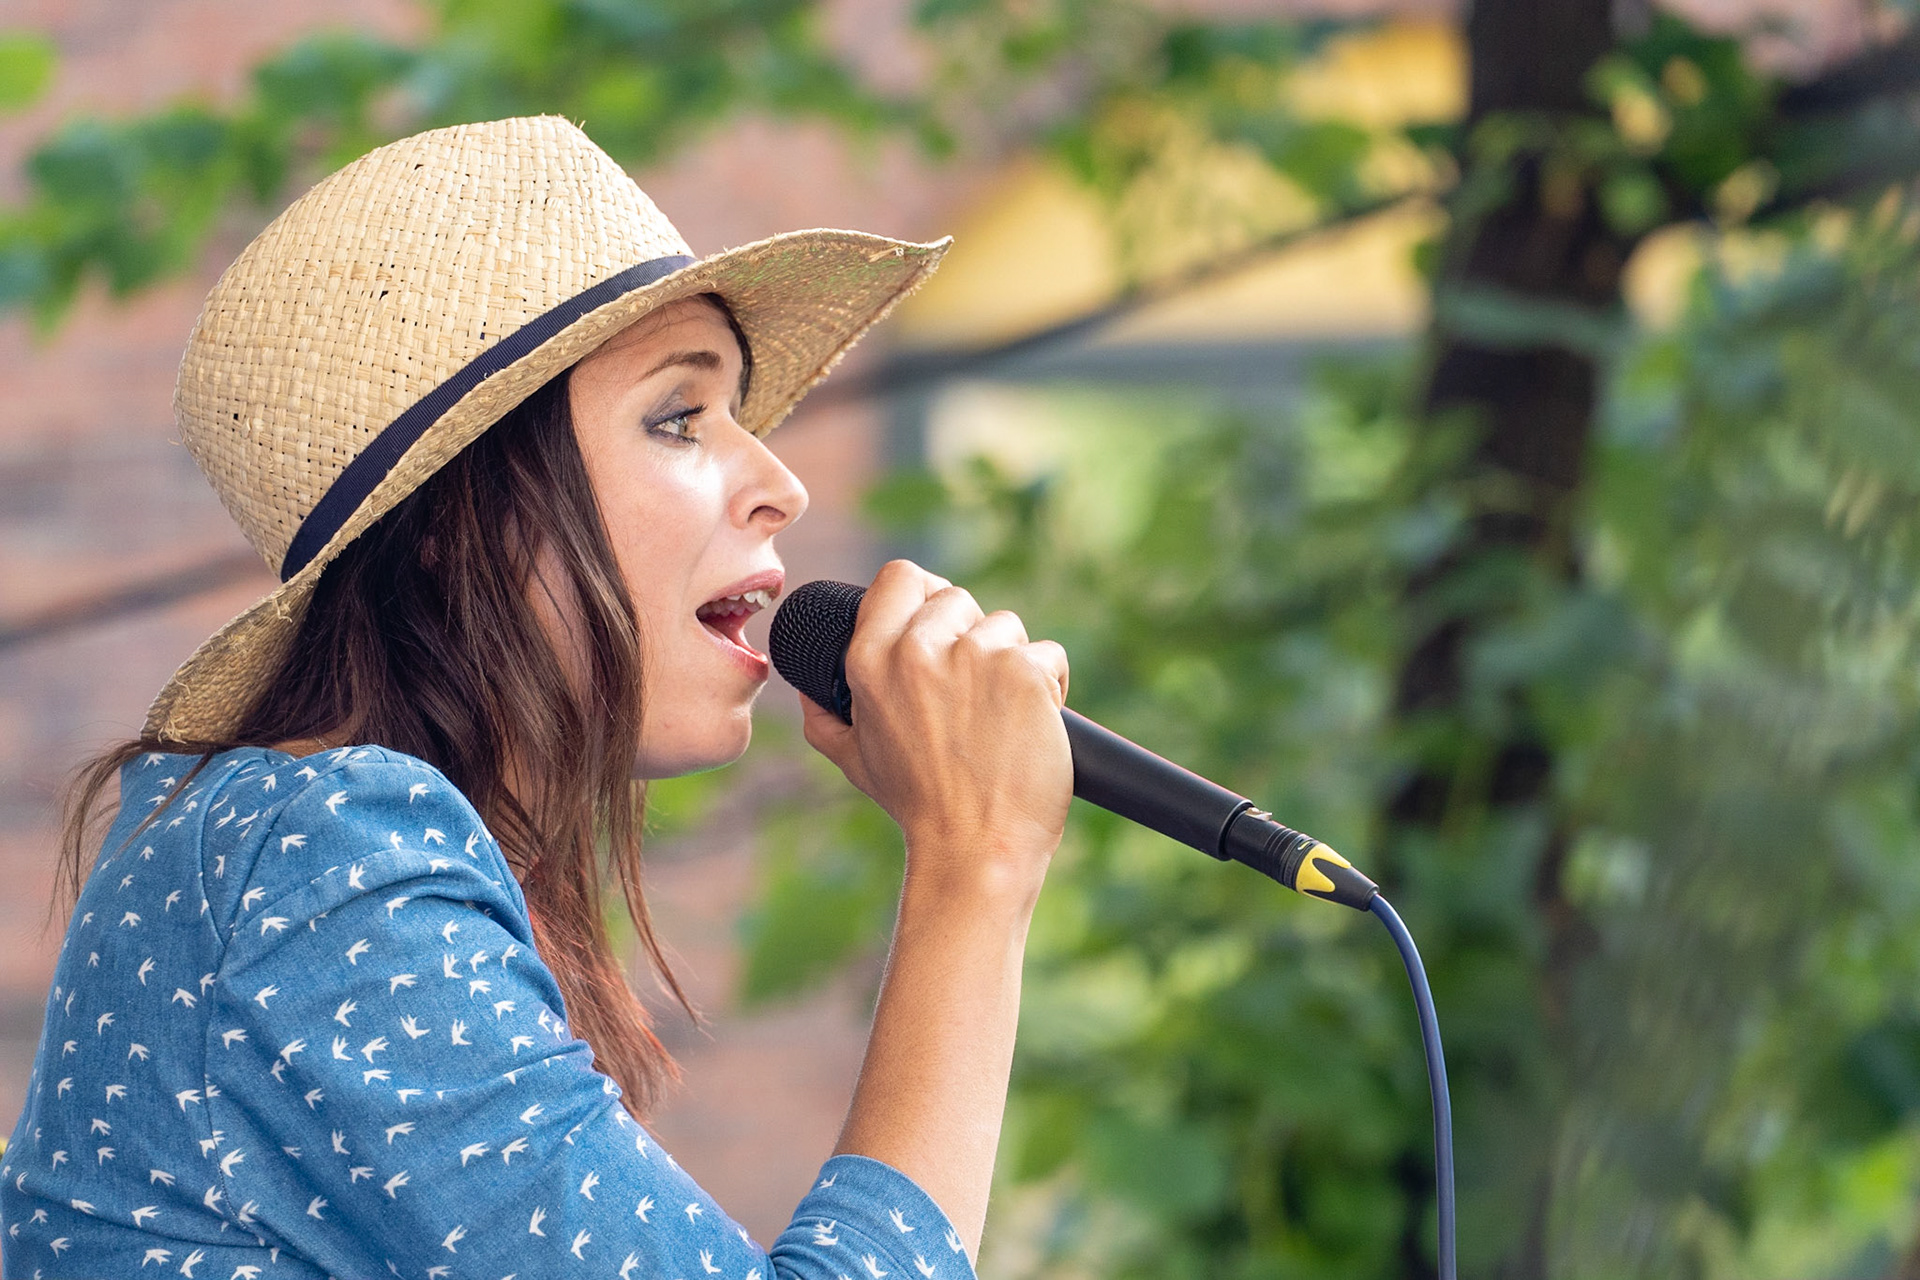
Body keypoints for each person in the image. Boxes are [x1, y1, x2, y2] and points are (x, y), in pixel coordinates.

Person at [0, 115, 1073, 1279]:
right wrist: (978, 861)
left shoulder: (302, 852)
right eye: (679, 417)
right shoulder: (318, 853)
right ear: (462, 524)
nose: (782, 485)